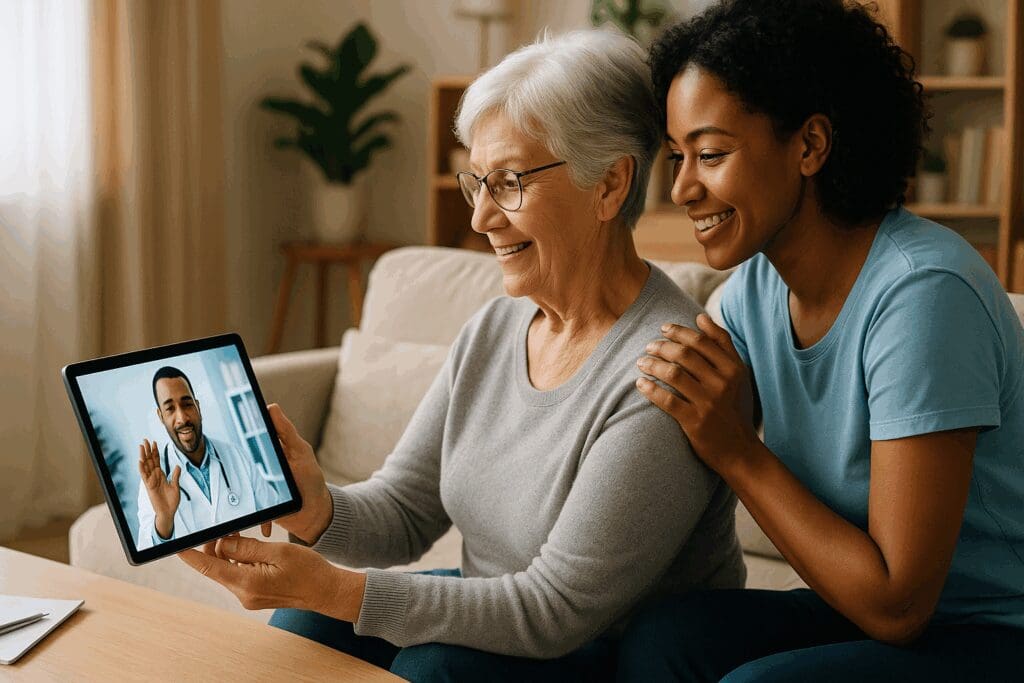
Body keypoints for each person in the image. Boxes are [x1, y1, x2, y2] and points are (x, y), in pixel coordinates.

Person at [176, 29, 746, 681]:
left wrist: (332, 587)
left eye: (509, 183)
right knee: (309, 628)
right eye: (477, 182)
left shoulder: (669, 368)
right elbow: (404, 510)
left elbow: (555, 609)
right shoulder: (495, 328)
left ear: (610, 184)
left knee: (432, 665)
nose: (480, 218)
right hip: (507, 619)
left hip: (609, 653)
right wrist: (315, 507)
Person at [617, 1, 1024, 681]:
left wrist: (738, 450)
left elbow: (899, 606)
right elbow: (659, 423)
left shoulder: (923, 294)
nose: (683, 188)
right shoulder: (753, 292)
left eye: (710, 154)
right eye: (677, 156)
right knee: (665, 637)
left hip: (989, 630)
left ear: (809, 145)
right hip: (860, 612)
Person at [136, 366, 281, 550]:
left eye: (187, 404)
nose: (182, 418)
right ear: (161, 417)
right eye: (170, 409)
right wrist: (164, 518)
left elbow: (275, 509)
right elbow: (145, 549)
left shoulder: (236, 454)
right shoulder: (154, 480)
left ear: (198, 406)